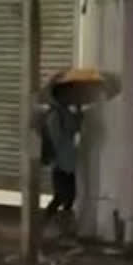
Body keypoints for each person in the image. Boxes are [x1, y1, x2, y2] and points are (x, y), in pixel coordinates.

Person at [42, 88, 82, 232]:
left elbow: (76, 128)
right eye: (67, 95)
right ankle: (48, 225)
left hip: (68, 162)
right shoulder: (55, 115)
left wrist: (78, 113)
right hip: (60, 164)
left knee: (66, 197)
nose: (70, 97)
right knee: (64, 197)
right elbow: (56, 139)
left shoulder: (66, 113)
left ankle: (59, 229)